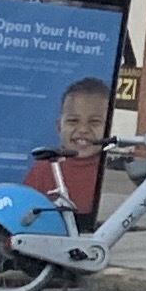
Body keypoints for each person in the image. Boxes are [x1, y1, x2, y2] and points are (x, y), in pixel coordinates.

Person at [24, 75, 111, 229]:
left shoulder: (107, 171)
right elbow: (24, 214)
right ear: (59, 127)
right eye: (73, 121)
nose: (83, 130)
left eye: (94, 122)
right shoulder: (44, 168)